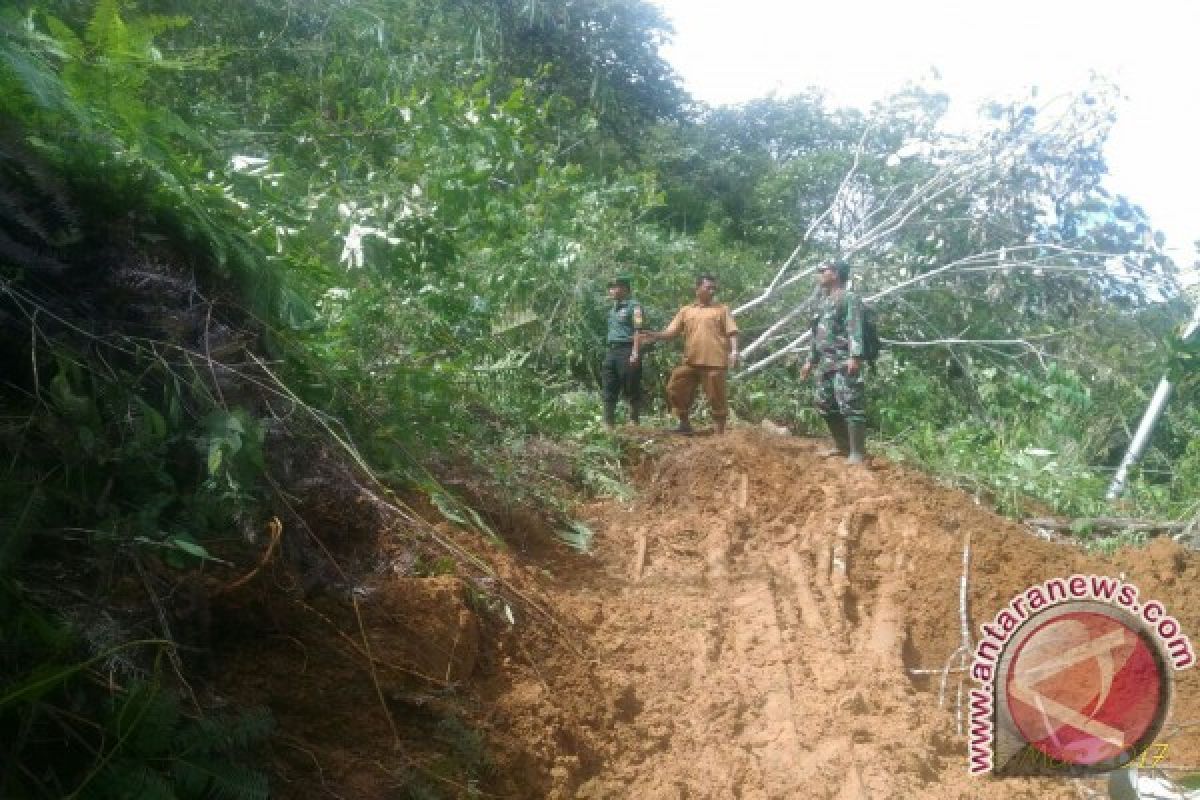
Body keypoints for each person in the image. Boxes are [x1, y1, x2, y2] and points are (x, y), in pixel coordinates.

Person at [640, 274, 739, 434]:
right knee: (675, 386)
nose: (712, 291)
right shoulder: (686, 311)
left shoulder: (721, 309)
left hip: (714, 361)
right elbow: (671, 332)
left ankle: (720, 434)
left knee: (717, 397)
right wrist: (653, 335)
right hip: (691, 361)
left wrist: (734, 351)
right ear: (697, 288)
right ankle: (684, 424)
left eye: (714, 288)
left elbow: (732, 332)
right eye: (708, 287)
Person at [800, 260, 867, 464]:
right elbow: (817, 335)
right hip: (826, 363)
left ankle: (857, 453)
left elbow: (854, 327)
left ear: (835, 274)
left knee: (850, 404)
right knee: (825, 404)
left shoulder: (849, 298)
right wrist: (810, 361)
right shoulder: (825, 301)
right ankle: (842, 446)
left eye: (823, 271)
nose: (820, 274)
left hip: (843, 362)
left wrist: (855, 356)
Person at [602, 274, 645, 430]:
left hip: (627, 349)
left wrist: (635, 353)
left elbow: (638, 331)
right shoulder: (612, 310)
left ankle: (633, 421)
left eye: (616, 287)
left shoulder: (635, 307)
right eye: (611, 288)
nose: (612, 290)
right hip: (612, 350)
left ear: (625, 289)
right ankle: (608, 423)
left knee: (631, 385)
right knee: (609, 384)